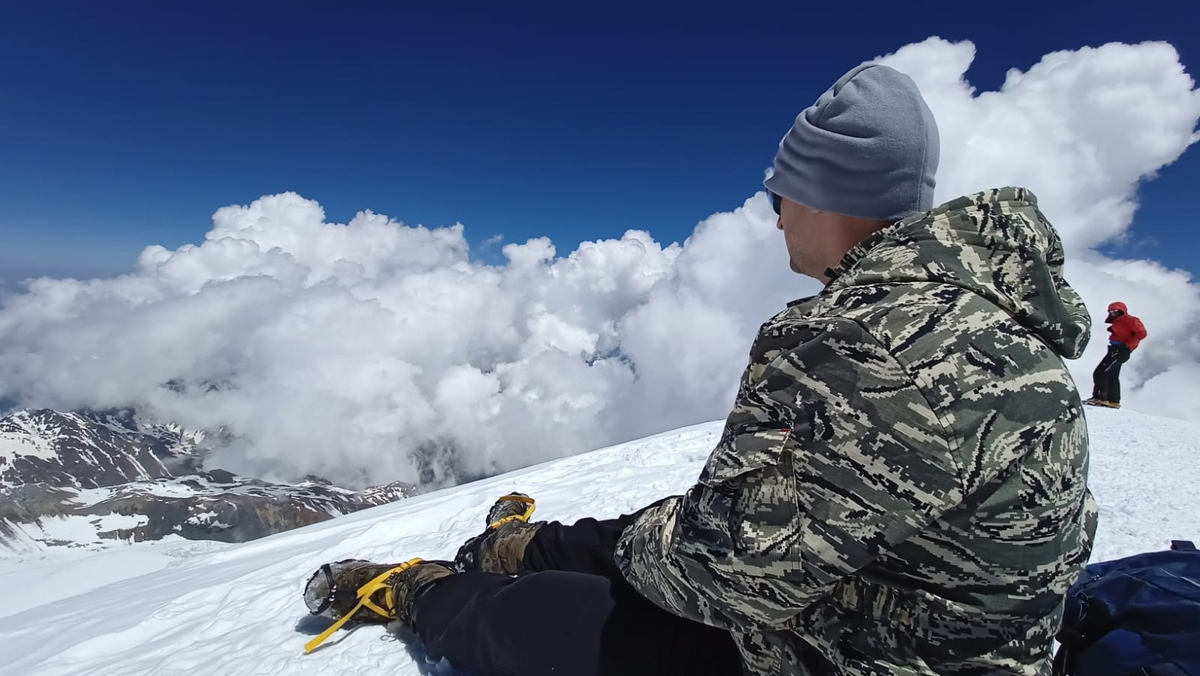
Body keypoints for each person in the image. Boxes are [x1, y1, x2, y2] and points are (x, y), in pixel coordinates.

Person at [301, 63, 1099, 676]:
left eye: (778, 194)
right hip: (954, 637)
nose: (774, 213)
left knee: (547, 614)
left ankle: (422, 588)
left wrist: (633, 547)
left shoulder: (854, 343)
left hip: (855, 657)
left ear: (821, 195)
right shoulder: (1002, 323)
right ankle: (520, 543)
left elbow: (729, 576)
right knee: (659, 530)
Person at [1085, 301, 1147, 409]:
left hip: (1120, 350)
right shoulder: (1118, 322)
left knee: (1101, 372)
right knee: (1112, 375)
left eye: (1115, 310)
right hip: (1116, 349)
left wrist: (1128, 345)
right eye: (1111, 311)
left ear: (1121, 311)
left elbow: (1142, 333)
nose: (1113, 312)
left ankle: (1099, 398)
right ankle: (1113, 401)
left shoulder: (1130, 319)